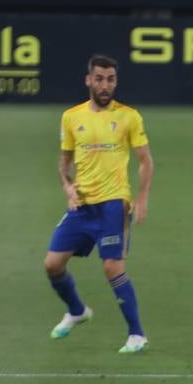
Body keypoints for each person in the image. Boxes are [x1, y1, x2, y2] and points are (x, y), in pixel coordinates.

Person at [44, 55, 154, 355]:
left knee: (111, 266)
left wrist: (141, 197)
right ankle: (77, 310)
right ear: (88, 80)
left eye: (111, 79)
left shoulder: (129, 117)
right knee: (52, 265)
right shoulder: (71, 117)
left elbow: (145, 160)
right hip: (83, 206)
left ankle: (137, 334)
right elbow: (63, 162)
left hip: (114, 203)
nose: (105, 85)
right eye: (100, 79)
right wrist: (67, 187)